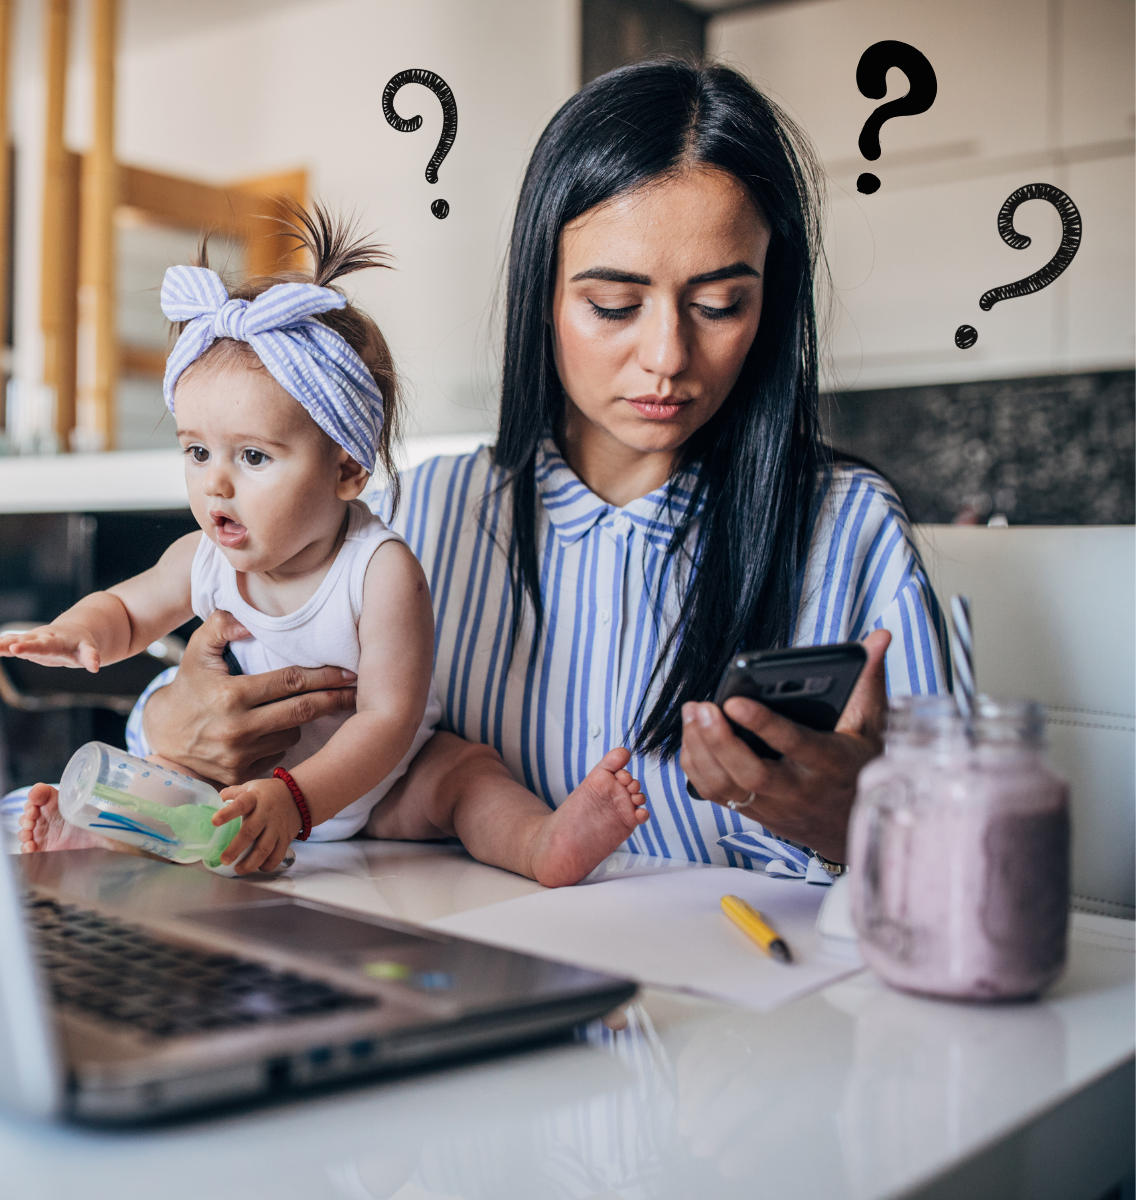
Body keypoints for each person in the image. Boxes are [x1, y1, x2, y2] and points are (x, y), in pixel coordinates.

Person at [125, 60, 946, 880]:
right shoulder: (417, 516)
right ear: (542, 293)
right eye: (614, 307)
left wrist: (851, 823)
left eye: (720, 305)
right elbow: (192, 746)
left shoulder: (849, 530)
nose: (667, 357)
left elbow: (969, 871)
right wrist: (169, 725)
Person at [0, 206, 647, 875]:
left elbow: (387, 721)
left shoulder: (380, 571)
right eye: (198, 452)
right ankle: (92, 832)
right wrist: (74, 632)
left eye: (255, 458)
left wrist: (296, 801)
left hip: (382, 783)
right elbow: (125, 611)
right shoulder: (204, 558)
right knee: (165, 783)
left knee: (465, 775)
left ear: (347, 469)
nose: (217, 486)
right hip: (250, 781)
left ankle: (542, 844)